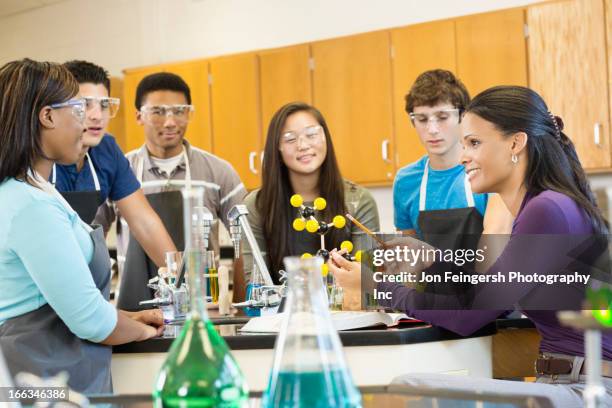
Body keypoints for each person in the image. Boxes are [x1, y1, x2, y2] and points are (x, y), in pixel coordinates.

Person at [330, 85, 612, 406]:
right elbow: (495, 296)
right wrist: (431, 260)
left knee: (406, 389)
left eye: (474, 143)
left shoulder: (546, 209)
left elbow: (469, 314)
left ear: (515, 143)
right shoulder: (548, 205)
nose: (463, 156)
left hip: (587, 391)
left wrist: (374, 286)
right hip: (571, 381)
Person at [0, 59, 162, 394]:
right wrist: (146, 333)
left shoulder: (31, 192)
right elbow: (91, 321)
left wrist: (127, 318)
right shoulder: (32, 207)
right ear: (47, 117)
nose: (87, 120)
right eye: (77, 109)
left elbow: (47, 298)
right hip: (43, 385)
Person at [97, 72, 246, 310]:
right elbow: (91, 241)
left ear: (189, 113)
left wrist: (242, 308)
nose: (170, 122)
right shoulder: (120, 171)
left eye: (179, 111)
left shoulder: (218, 172)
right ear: (138, 116)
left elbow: (245, 243)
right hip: (136, 305)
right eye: (157, 112)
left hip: (204, 305)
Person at [52, 60, 176, 270]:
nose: (97, 115)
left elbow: (144, 222)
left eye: (104, 105)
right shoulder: (38, 156)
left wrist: (181, 279)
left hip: (78, 269)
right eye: (85, 104)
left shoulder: (106, 150)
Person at [242, 102, 380, 286]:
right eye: (290, 139)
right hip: (282, 313)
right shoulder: (257, 205)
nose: (303, 145)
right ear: (277, 148)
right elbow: (255, 283)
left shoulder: (359, 200)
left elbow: (368, 281)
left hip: (346, 311)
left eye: (311, 134)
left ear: (325, 138)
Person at [393, 70, 512, 246]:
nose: (432, 129)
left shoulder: (490, 171)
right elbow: (409, 259)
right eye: (422, 119)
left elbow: (494, 253)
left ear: (463, 117)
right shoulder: (405, 181)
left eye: (442, 117)